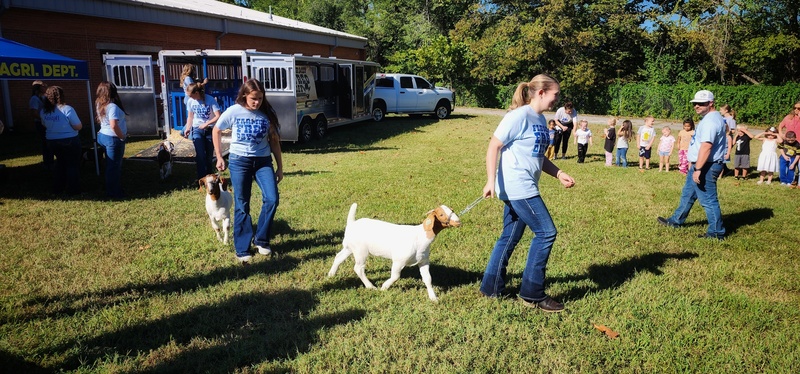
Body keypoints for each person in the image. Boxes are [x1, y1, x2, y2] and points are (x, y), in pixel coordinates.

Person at [480, 74, 576, 313]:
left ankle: (491, 287)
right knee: (546, 233)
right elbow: (494, 145)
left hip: (523, 186)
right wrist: (490, 181)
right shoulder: (519, 116)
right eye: (555, 94)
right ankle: (532, 293)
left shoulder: (541, 120)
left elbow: (537, 155)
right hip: (519, 187)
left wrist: (558, 172)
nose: (557, 99)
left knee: (510, 235)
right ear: (541, 92)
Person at [212, 79, 283, 263]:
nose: (257, 102)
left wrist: (280, 167)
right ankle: (242, 249)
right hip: (239, 161)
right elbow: (216, 130)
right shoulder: (234, 111)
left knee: (272, 198)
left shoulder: (266, 114)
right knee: (242, 204)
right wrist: (219, 156)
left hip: (263, 161)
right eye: (253, 98)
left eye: (260, 98)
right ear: (245, 95)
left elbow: (274, 141)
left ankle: (261, 239)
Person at [657, 90, 727, 240]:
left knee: (708, 199)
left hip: (706, 166)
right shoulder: (711, 118)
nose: (696, 106)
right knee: (688, 194)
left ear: (711, 103)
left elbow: (706, 147)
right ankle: (676, 220)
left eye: (701, 103)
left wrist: (699, 169)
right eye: (695, 103)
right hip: (700, 164)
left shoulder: (710, 121)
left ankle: (716, 232)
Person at [40, 86, 82, 195]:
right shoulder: (67, 109)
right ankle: (73, 190)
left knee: (60, 163)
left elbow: (44, 124)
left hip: (51, 140)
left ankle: (58, 188)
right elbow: (78, 126)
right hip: (69, 139)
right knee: (72, 165)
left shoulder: (44, 111)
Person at [95, 81, 128, 199]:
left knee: (110, 165)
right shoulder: (112, 106)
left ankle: (112, 188)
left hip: (103, 135)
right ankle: (114, 193)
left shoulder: (99, 104)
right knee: (114, 167)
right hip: (113, 138)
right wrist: (121, 136)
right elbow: (113, 125)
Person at [183, 82, 221, 179]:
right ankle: (201, 179)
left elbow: (218, 116)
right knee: (200, 155)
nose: (190, 98)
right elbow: (190, 117)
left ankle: (209, 177)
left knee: (209, 157)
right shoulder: (191, 102)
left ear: (196, 93)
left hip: (209, 130)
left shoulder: (210, 100)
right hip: (197, 129)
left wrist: (207, 123)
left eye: (191, 95)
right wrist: (188, 128)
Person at [30, 80, 53, 169]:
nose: (45, 87)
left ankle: (50, 160)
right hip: (40, 123)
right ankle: (47, 162)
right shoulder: (34, 99)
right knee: (46, 142)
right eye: (43, 86)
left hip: (47, 123)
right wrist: (44, 119)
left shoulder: (44, 97)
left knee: (49, 141)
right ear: (38, 88)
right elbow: (34, 113)